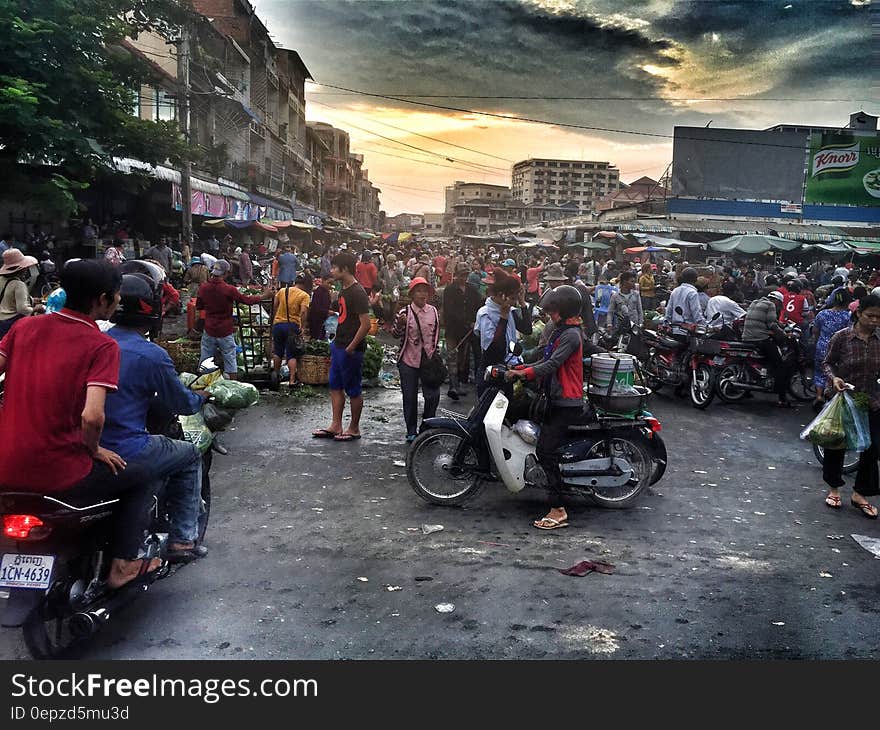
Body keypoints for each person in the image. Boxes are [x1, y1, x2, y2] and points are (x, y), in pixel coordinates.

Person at [0, 260, 159, 588]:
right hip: (59, 470)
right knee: (143, 473)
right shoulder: (101, 345)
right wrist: (94, 448)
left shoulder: (23, 328)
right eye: (116, 296)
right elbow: (92, 416)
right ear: (101, 299)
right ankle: (123, 564)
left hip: (6, 464)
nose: (118, 302)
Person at [100, 274, 209, 563]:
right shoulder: (152, 355)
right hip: (125, 447)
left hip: (86, 446)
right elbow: (182, 403)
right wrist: (202, 397)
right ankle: (183, 540)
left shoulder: (96, 343)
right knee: (190, 454)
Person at [506, 285, 585, 530]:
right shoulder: (561, 331)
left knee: (546, 450)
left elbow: (553, 364)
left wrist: (525, 374)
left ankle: (558, 509)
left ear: (564, 310)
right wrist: (521, 368)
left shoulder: (571, 335)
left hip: (566, 401)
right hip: (555, 398)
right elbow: (545, 358)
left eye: (554, 310)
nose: (550, 314)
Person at [821, 294, 880, 518]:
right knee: (837, 444)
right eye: (870, 316)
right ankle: (834, 488)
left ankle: (860, 493)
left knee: (873, 447)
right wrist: (834, 379)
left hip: (872, 399)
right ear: (858, 313)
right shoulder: (842, 337)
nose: (875, 321)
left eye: (879, 318)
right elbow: (827, 363)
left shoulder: (879, 339)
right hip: (844, 399)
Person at [313, 252, 371, 442]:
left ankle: (353, 428)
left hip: (351, 349)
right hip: (339, 345)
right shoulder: (344, 289)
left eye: (334, 267)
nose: (331, 271)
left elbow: (366, 325)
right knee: (335, 385)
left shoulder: (358, 292)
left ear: (344, 269)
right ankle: (336, 425)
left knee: (353, 389)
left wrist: (351, 347)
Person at [195, 260, 270, 379]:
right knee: (230, 358)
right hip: (225, 330)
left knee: (206, 358)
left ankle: (203, 384)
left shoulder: (204, 288)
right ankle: (233, 383)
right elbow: (246, 300)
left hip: (209, 328)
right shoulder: (229, 289)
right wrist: (263, 296)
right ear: (226, 274)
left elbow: (199, 306)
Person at [393, 278, 441, 442]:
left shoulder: (433, 311)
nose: (422, 294)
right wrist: (400, 325)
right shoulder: (404, 313)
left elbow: (435, 335)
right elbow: (395, 334)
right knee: (410, 397)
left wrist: (435, 355)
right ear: (412, 294)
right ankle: (411, 431)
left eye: (425, 291)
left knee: (432, 396)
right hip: (408, 359)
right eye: (419, 291)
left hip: (428, 360)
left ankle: (427, 428)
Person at [474, 269, 523, 397]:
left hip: (507, 369)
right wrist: (503, 318)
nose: (514, 301)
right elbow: (494, 348)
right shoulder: (485, 313)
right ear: (502, 295)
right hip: (490, 372)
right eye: (512, 298)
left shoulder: (511, 311)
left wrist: (522, 304)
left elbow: (527, 329)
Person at [741, 290, 794, 407]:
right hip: (759, 339)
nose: (779, 307)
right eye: (779, 304)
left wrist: (782, 325)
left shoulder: (755, 302)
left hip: (746, 338)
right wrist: (784, 334)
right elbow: (772, 325)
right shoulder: (770, 305)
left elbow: (771, 321)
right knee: (781, 365)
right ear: (776, 301)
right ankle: (782, 399)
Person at [443, 262, 482, 400]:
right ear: (456, 276)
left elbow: (479, 305)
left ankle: (458, 384)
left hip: (467, 331)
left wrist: (475, 321)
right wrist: (466, 321)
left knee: (463, 359)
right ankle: (453, 386)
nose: (463, 278)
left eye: (465, 275)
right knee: (452, 356)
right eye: (461, 275)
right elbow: (449, 311)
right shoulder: (449, 290)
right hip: (453, 329)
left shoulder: (472, 290)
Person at [811, 287, 853, 411]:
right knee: (834, 374)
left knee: (819, 372)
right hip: (838, 350)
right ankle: (830, 400)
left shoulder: (822, 313)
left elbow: (815, 331)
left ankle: (818, 396)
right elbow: (849, 333)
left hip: (822, 347)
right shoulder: (848, 316)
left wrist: (819, 341)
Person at [272, 272, 311, 387]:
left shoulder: (282, 291)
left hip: (278, 324)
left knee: (278, 351)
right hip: (292, 326)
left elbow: (275, 305)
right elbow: (303, 312)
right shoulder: (304, 295)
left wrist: (276, 318)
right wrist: (302, 327)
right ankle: (292, 380)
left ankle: (276, 375)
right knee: (291, 353)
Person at [0, 248, 42, 337]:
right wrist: (36, 308)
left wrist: (32, 300)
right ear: (21, 269)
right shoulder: (19, 284)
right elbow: (22, 309)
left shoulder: (1, 279)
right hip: (10, 323)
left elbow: (8, 298)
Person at [607, 270, 643, 335]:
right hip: (620, 327)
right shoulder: (615, 296)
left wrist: (640, 324)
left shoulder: (636, 294)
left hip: (634, 327)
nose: (634, 284)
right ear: (624, 282)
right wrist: (609, 324)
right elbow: (610, 312)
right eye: (632, 281)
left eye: (634, 281)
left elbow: (640, 311)